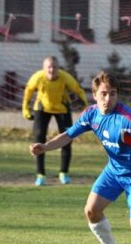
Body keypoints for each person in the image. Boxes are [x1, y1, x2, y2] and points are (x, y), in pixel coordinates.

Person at [29, 71, 131, 244]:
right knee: (91, 211)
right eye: (103, 93)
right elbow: (68, 135)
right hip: (113, 171)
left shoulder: (127, 117)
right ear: (94, 95)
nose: (108, 98)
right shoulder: (91, 115)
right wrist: (45, 146)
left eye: (113, 93)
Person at [22, 56, 88, 186]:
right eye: (49, 67)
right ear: (44, 68)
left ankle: (64, 172)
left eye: (55, 67)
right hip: (42, 109)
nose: (52, 70)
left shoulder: (65, 77)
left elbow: (78, 90)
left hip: (62, 109)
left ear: (59, 68)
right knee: (38, 140)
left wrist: (86, 107)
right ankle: (40, 174)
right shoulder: (38, 77)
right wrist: (25, 109)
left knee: (68, 138)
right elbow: (28, 91)